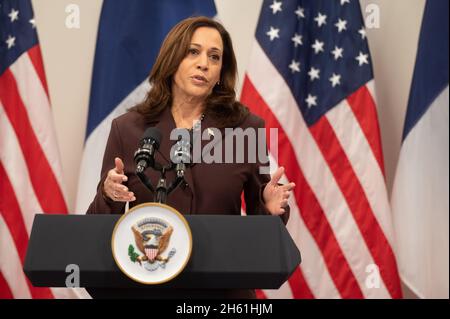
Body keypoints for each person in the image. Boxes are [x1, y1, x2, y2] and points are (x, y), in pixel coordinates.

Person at [87, 16, 295, 299]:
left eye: (214, 56)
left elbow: (262, 224)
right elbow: (101, 227)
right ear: (172, 60)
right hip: (148, 287)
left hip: (224, 291)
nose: (204, 64)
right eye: (193, 52)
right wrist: (109, 193)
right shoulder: (127, 128)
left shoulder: (247, 128)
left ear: (221, 71)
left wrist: (271, 208)